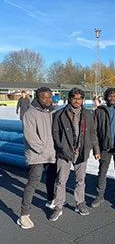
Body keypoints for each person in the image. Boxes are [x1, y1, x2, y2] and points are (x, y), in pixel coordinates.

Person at [50, 87, 100, 221]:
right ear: (69, 99)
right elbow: (55, 134)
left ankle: (80, 203)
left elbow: (92, 133)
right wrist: (61, 148)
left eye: (79, 98)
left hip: (81, 152)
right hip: (64, 152)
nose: (77, 101)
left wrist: (95, 150)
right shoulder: (59, 114)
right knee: (61, 180)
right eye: (74, 98)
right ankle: (59, 206)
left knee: (81, 180)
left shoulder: (88, 114)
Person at [17, 87, 55, 229]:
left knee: (51, 179)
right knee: (33, 182)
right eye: (44, 97)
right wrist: (42, 149)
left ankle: (51, 200)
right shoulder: (30, 113)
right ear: (38, 97)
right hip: (37, 154)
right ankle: (24, 215)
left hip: (51, 153)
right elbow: (30, 136)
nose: (47, 100)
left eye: (49, 97)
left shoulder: (52, 112)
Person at [92, 88, 115, 208]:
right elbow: (94, 132)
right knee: (102, 172)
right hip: (105, 148)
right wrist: (96, 150)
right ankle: (99, 196)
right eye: (110, 96)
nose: (112, 98)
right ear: (106, 97)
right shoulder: (100, 111)